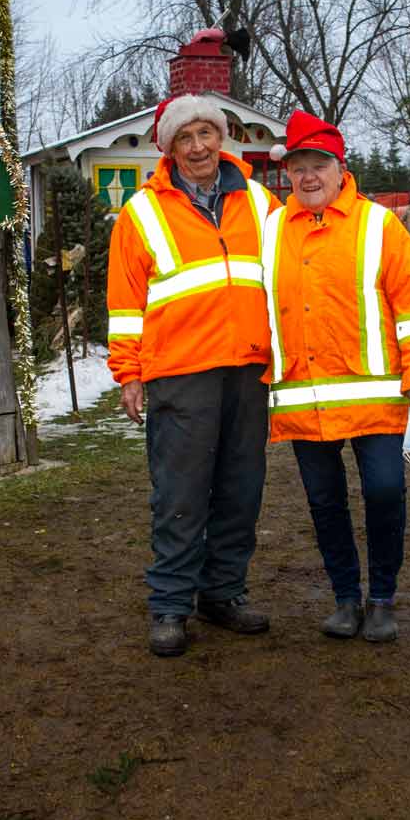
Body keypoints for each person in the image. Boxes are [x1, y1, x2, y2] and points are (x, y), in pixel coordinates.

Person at [107, 91, 280, 657]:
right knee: (180, 494)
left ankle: (223, 593)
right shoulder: (141, 214)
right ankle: (171, 604)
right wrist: (128, 372)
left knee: (240, 489)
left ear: (222, 138)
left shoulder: (259, 202)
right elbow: (125, 305)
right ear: (170, 148)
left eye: (207, 133)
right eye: (186, 137)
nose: (199, 146)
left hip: (250, 371)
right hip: (180, 374)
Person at [263, 112, 410, 643]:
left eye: (318, 165)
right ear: (288, 175)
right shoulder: (272, 230)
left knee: (385, 490)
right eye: (298, 168)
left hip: (377, 398)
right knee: (324, 503)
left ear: (341, 169)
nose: (308, 177)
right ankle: (345, 598)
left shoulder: (378, 226)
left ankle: (382, 597)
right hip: (303, 398)